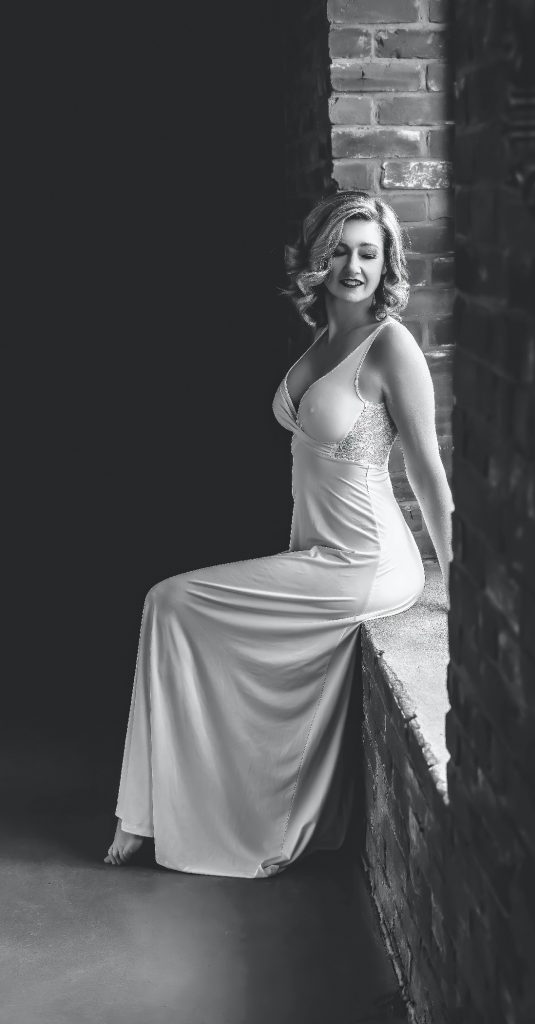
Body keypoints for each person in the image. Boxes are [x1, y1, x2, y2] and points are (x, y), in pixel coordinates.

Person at [104, 190, 453, 876]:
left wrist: (461, 583)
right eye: (339, 251)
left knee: (170, 602)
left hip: (365, 563)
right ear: (318, 259)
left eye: (367, 253)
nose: (352, 265)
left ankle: (144, 818)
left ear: (387, 265)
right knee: (180, 617)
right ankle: (159, 812)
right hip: (317, 554)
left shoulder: (391, 347)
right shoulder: (324, 339)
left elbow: (428, 471)